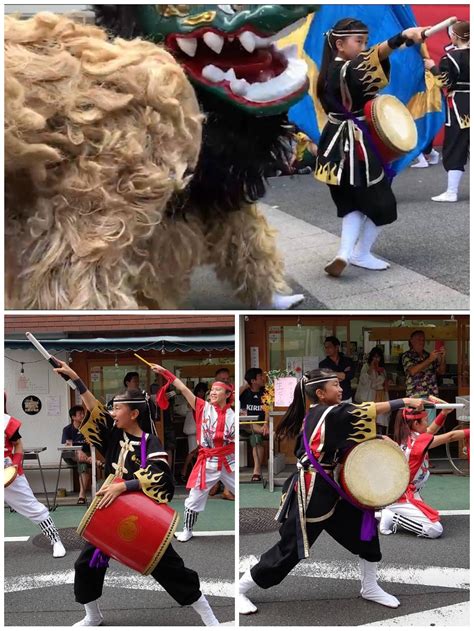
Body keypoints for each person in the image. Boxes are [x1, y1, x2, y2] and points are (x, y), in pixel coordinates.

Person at [238, 369, 426, 614]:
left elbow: (347, 436)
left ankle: (369, 586)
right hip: (312, 493)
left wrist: (380, 437)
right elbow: (362, 411)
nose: (340, 389)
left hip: (332, 490)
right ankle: (241, 588)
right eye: (335, 386)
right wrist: (406, 401)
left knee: (365, 532)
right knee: (292, 549)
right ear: (320, 393)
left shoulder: (324, 415)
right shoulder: (327, 412)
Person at [53, 360, 219, 627]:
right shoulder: (112, 436)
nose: (112, 412)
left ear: (134, 414)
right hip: (109, 514)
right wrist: (74, 377)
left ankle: (209, 618)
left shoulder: (149, 442)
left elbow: (161, 475)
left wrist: (124, 485)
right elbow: (93, 407)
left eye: (118, 408)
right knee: (86, 564)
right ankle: (93, 616)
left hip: (141, 516)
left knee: (171, 569)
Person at [314, 18, 427, 276]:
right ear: (340, 44)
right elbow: (371, 59)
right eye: (359, 41)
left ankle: (344, 253)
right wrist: (402, 37)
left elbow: (367, 61)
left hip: (335, 144)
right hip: (355, 143)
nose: (364, 46)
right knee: (381, 202)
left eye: (365, 41)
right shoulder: (343, 70)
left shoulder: (328, 70)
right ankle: (361, 253)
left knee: (352, 203)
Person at [150, 364, 235, 543]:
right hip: (207, 461)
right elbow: (182, 387)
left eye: (218, 390)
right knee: (193, 498)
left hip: (229, 461)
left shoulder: (232, 416)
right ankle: (187, 530)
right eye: (212, 389)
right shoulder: (202, 407)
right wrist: (164, 372)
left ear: (227, 395)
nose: (212, 392)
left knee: (241, 492)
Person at [379, 399, 469, 538]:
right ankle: (393, 515)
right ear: (416, 423)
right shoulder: (418, 441)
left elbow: (430, 431)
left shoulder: (411, 436)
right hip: (403, 495)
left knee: (428, 518)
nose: (427, 424)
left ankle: (395, 512)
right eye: (425, 420)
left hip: (408, 491)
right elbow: (450, 436)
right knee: (434, 530)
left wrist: (444, 413)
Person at [4, 409, 66, 558]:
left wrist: (15, 465)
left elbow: (18, 444)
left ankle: (55, 540)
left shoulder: (5, 421)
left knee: (33, 508)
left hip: (8, 473)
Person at [427, 20, 470, 202]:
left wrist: (432, 68)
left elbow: (444, 83)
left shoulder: (450, 58)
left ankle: (452, 191)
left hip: (459, 104)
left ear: (454, 36)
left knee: (455, 146)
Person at [239, 368, 269, 482]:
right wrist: (245, 386)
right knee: (249, 424)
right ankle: (269, 433)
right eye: (260, 376)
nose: (263, 378)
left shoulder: (265, 391)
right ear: (253, 380)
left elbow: (267, 409)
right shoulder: (244, 392)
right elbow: (232, 396)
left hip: (261, 426)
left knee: (256, 439)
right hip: (246, 425)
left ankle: (256, 472)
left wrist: (266, 424)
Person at [402, 331, 446, 400]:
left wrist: (443, 358)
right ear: (412, 341)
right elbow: (412, 371)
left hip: (432, 396)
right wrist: (429, 360)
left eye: (423, 340)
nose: (422, 342)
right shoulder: (407, 355)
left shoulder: (428, 355)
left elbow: (441, 371)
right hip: (415, 396)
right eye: (419, 339)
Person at [355, 347, 390, 434]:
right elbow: (363, 380)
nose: (376, 359)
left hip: (380, 396)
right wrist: (371, 368)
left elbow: (384, 383)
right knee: (369, 419)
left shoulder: (382, 369)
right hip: (369, 397)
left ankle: (380, 436)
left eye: (378, 357)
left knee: (380, 419)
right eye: (374, 357)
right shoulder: (366, 367)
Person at [62, 405, 91, 504]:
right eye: (80, 414)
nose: (83, 415)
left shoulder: (88, 428)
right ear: (73, 417)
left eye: (83, 413)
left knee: (83, 466)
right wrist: (79, 450)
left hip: (84, 456)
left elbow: (92, 443)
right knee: (81, 457)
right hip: (71, 455)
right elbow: (69, 445)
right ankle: (93, 461)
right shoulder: (67, 429)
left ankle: (81, 495)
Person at [178, 382, 207, 484]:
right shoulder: (194, 401)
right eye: (200, 391)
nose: (201, 393)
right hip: (194, 430)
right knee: (193, 451)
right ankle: (184, 471)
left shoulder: (199, 401)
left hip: (197, 430)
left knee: (196, 451)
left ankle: (187, 472)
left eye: (203, 391)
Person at [319, 336, 355, 402]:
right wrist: (342, 374)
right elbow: (325, 381)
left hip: (346, 397)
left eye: (329, 347)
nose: (326, 349)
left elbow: (350, 375)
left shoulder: (347, 361)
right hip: (331, 399)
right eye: (325, 347)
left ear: (336, 347)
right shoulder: (323, 364)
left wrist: (330, 373)